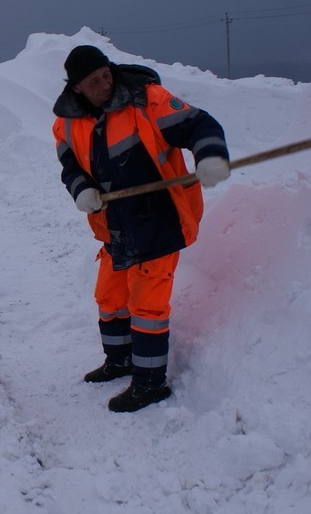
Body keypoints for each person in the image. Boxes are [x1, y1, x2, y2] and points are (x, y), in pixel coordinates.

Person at [52, 45, 230, 413]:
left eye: (106, 74)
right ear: (77, 88)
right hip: (113, 225)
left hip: (159, 219)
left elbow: (200, 124)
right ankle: (119, 361)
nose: (105, 82)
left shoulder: (146, 100)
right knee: (109, 297)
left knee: (147, 306)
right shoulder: (66, 122)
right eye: (94, 80)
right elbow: (69, 165)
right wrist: (82, 189)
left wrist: (210, 154)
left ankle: (150, 384)